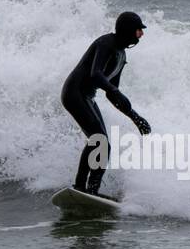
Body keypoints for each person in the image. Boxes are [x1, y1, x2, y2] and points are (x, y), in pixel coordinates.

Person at [61, 11, 152, 195]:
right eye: (138, 30)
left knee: (102, 142)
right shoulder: (106, 43)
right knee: (99, 140)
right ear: (127, 30)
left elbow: (112, 94)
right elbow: (96, 74)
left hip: (87, 96)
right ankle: (81, 187)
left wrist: (135, 117)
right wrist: (114, 90)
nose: (141, 34)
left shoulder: (121, 55)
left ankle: (91, 190)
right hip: (74, 93)